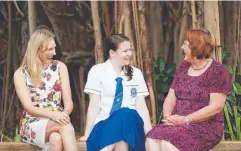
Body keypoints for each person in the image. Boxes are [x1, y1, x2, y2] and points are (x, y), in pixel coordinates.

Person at [146, 29, 230, 151]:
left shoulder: (217, 71)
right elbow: (170, 98)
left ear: (196, 47)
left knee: (167, 144)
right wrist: (168, 117)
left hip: (205, 127)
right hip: (178, 124)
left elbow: (216, 107)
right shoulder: (183, 67)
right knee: (151, 139)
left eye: (185, 44)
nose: (182, 47)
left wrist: (186, 120)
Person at [79, 34, 152, 151]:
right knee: (122, 142)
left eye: (130, 50)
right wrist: (87, 134)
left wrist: (149, 134)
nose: (130, 54)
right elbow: (94, 106)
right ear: (112, 53)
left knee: (126, 112)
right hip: (104, 126)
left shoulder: (136, 73)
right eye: (125, 51)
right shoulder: (97, 71)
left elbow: (141, 107)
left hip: (132, 127)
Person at [14, 27, 77, 151]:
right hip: (32, 123)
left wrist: (63, 115)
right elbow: (29, 108)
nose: (54, 52)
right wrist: (54, 115)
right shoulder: (20, 74)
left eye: (54, 48)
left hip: (59, 119)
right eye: (50, 49)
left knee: (56, 139)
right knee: (65, 126)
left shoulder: (60, 67)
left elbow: (69, 103)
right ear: (37, 50)